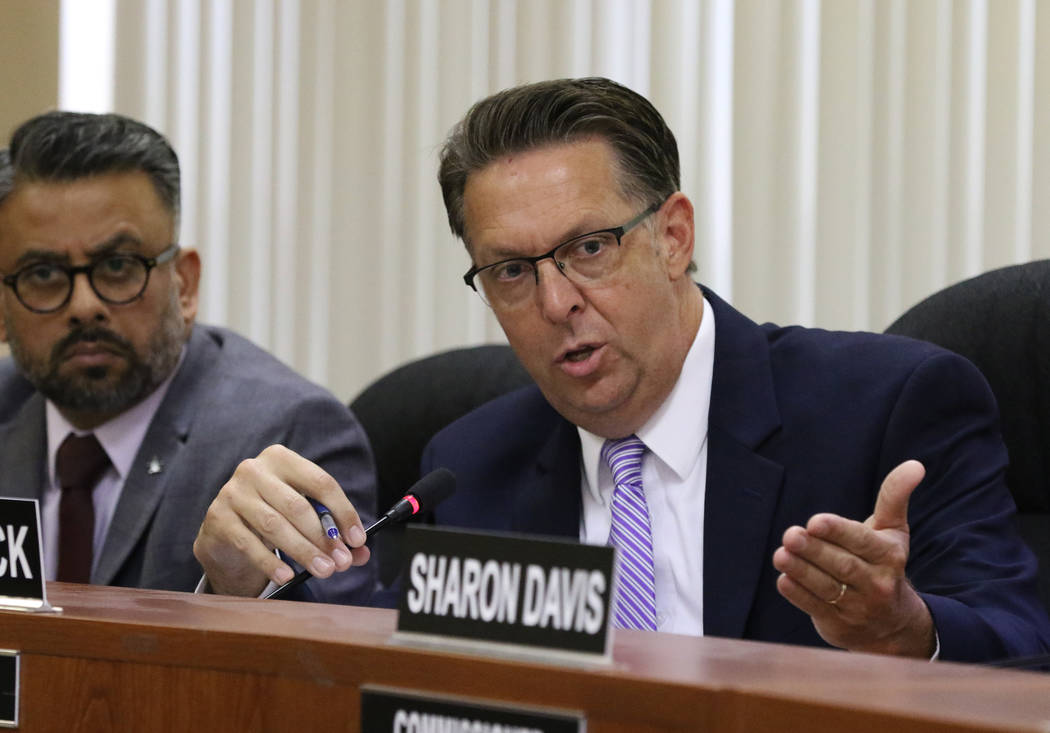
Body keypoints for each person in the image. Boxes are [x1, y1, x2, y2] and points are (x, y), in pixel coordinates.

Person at [415, 77, 1050, 662]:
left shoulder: (888, 407)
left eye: (589, 248)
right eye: (511, 271)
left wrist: (905, 631)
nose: (556, 303)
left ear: (673, 237)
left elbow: (1023, 649)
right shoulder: (470, 467)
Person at [0, 111, 375, 603]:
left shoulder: (288, 433)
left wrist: (238, 586)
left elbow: (331, 658)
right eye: (44, 274)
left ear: (184, 284)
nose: (84, 306)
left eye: (117, 266)